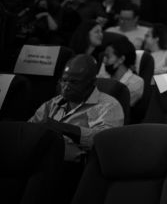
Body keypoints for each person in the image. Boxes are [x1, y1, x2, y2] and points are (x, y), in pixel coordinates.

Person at [29, 54, 124, 201]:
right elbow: (29, 129)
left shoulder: (108, 105)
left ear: (91, 83)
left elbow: (105, 142)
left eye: (74, 82)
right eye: (64, 80)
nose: (66, 87)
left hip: (75, 172)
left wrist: (61, 128)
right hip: (40, 165)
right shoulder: (53, 103)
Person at [99, 37, 144, 106]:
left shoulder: (136, 83)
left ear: (121, 59)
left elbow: (115, 106)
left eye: (108, 57)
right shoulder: (104, 75)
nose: (104, 61)